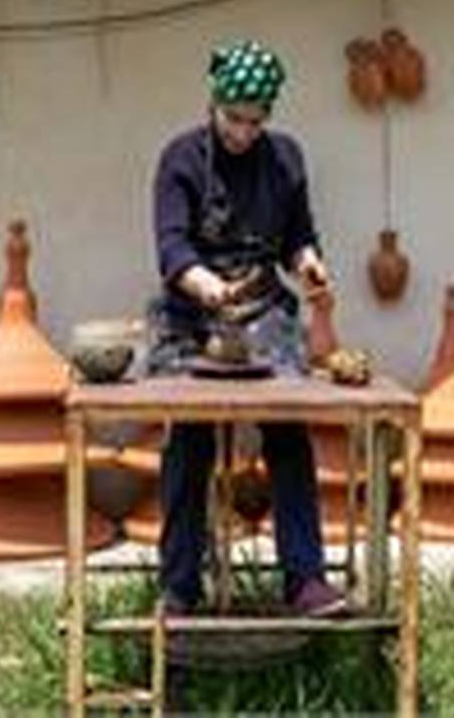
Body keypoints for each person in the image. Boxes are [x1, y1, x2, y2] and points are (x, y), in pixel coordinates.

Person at [145, 39, 347, 617]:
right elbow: (171, 247)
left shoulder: (285, 159)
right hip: (192, 311)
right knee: (189, 439)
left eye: (255, 121)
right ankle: (179, 586)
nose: (243, 132)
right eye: (233, 119)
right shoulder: (180, 159)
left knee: (288, 430)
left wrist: (309, 264)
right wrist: (210, 287)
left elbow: (297, 237)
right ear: (213, 104)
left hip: (262, 308)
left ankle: (305, 578)